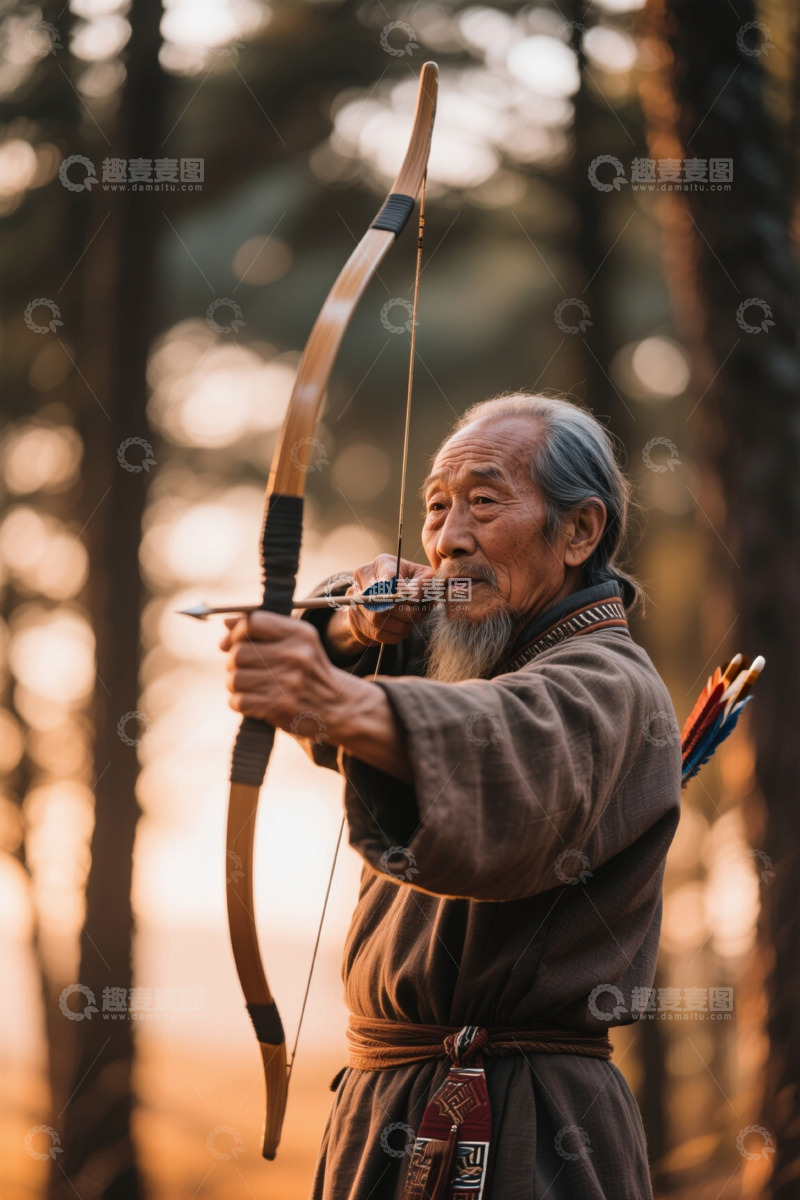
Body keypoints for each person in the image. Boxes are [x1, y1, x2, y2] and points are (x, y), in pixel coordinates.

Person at [220, 393, 682, 1199]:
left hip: (530, 1120)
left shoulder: (610, 681)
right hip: (388, 1101)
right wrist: (358, 627)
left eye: (484, 502)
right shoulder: (475, 658)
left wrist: (339, 700)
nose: (449, 538)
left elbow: (505, 744)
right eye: (436, 508)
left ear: (579, 532)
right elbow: (343, 653)